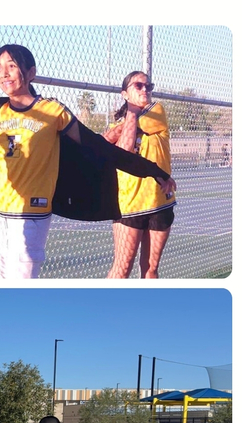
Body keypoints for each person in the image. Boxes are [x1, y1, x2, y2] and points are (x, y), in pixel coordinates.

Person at [0, 47, 175, 279]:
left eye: (12, 65)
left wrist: (153, 171)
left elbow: (99, 147)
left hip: (31, 213)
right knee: (3, 278)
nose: (4, 73)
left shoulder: (52, 111)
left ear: (30, 72)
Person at [104, 71, 175, 279]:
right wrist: (131, 115)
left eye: (148, 86)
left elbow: (117, 139)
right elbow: (124, 152)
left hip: (159, 199)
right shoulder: (119, 122)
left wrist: (125, 124)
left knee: (150, 269)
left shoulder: (156, 111)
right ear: (125, 94)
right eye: (138, 86)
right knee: (122, 268)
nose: (145, 90)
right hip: (129, 204)